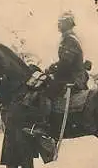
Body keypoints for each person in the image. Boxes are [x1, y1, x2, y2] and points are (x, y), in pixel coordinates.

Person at [22, 11, 86, 140]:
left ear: (68, 24)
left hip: (73, 77)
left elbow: (66, 62)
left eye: (61, 22)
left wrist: (52, 70)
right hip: (70, 74)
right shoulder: (69, 39)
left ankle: (43, 126)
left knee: (45, 91)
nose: (58, 24)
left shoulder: (69, 40)